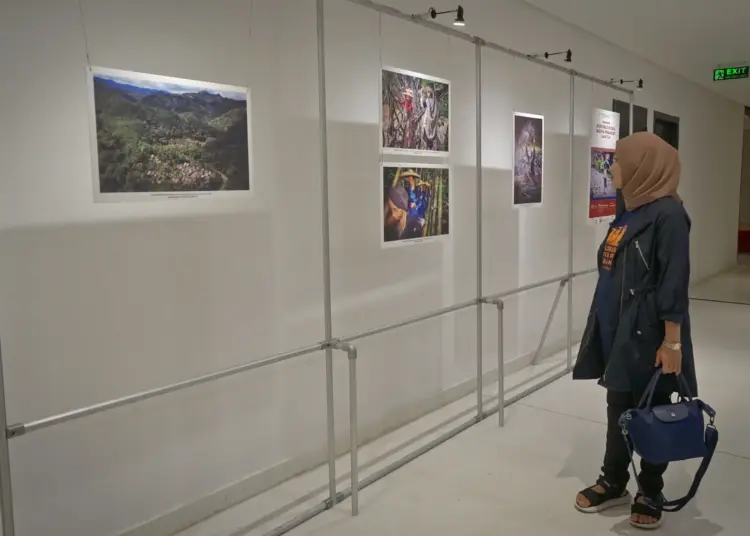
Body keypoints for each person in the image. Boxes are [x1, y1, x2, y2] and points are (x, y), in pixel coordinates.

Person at [572, 132, 696, 530]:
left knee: (654, 407)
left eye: (618, 161)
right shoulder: (630, 209)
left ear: (643, 166)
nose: (612, 169)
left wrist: (672, 341)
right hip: (620, 329)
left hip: (650, 333)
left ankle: (651, 489)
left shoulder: (669, 215)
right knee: (619, 406)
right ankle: (614, 481)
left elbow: (674, 281)